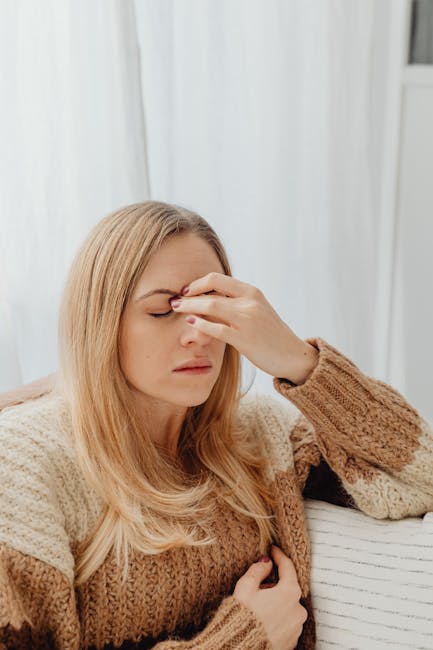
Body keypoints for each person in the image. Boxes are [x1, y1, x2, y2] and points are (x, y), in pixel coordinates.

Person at [0, 201, 432, 650]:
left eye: (213, 307)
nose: (199, 333)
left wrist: (298, 361)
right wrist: (245, 639)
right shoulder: (23, 465)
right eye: (163, 310)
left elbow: (422, 480)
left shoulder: (264, 437)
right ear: (101, 323)